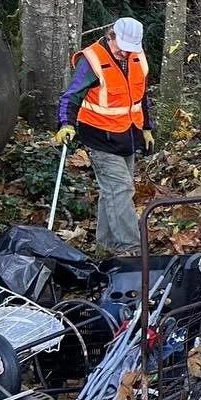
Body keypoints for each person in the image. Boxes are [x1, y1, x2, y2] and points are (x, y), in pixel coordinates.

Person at [54, 17, 154, 256]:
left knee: (112, 192)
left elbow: (142, 96)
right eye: (120, 47)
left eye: (129, 49)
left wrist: (147, 128)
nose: (124, 53)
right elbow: (71, 96)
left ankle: (104, 247)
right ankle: (131, 250)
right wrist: (66, 124)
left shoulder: (137, 58)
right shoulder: (92, 60)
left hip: (127, 135)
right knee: (121, 190)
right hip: (99, 137)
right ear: (111, 36)